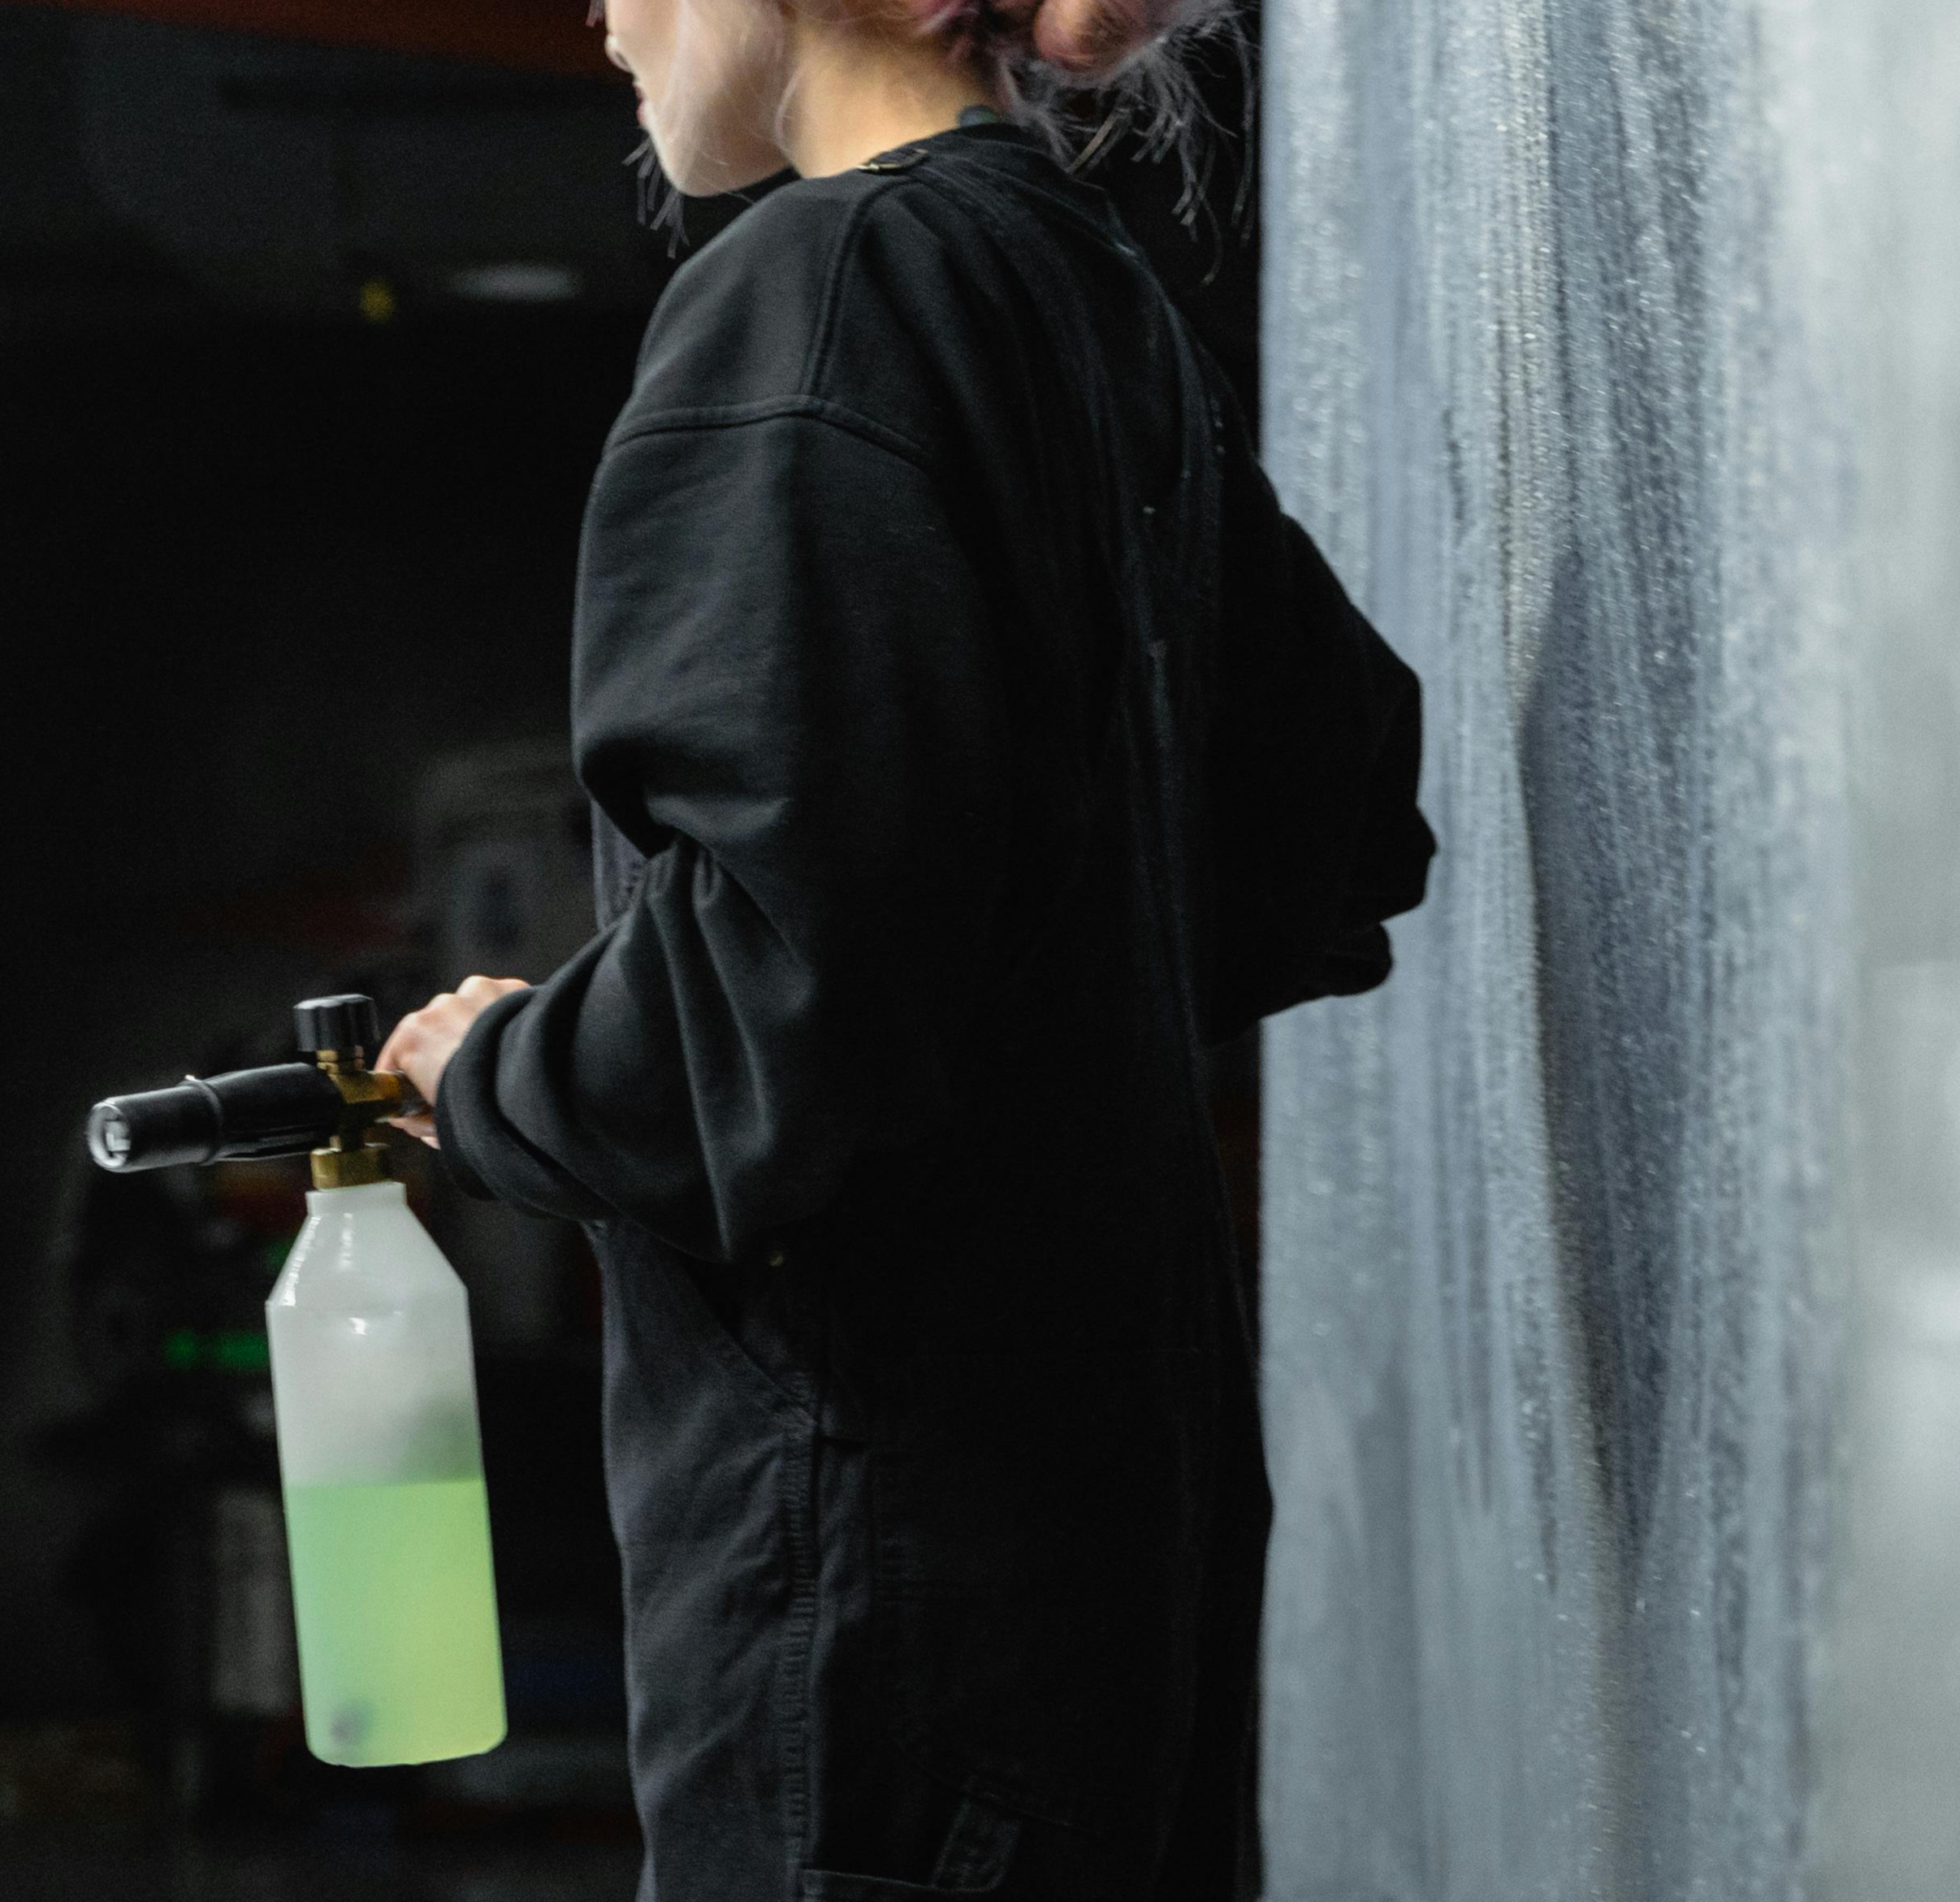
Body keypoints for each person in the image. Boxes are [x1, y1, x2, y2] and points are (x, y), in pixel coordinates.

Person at [370, 2, 1435, 1896]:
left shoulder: (821, 292)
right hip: (1112, 1564)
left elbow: (764, 1021)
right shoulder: (1083, 294)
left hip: (873, 1597)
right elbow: (1319, 815)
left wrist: (496, 1080)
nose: (602, 16)